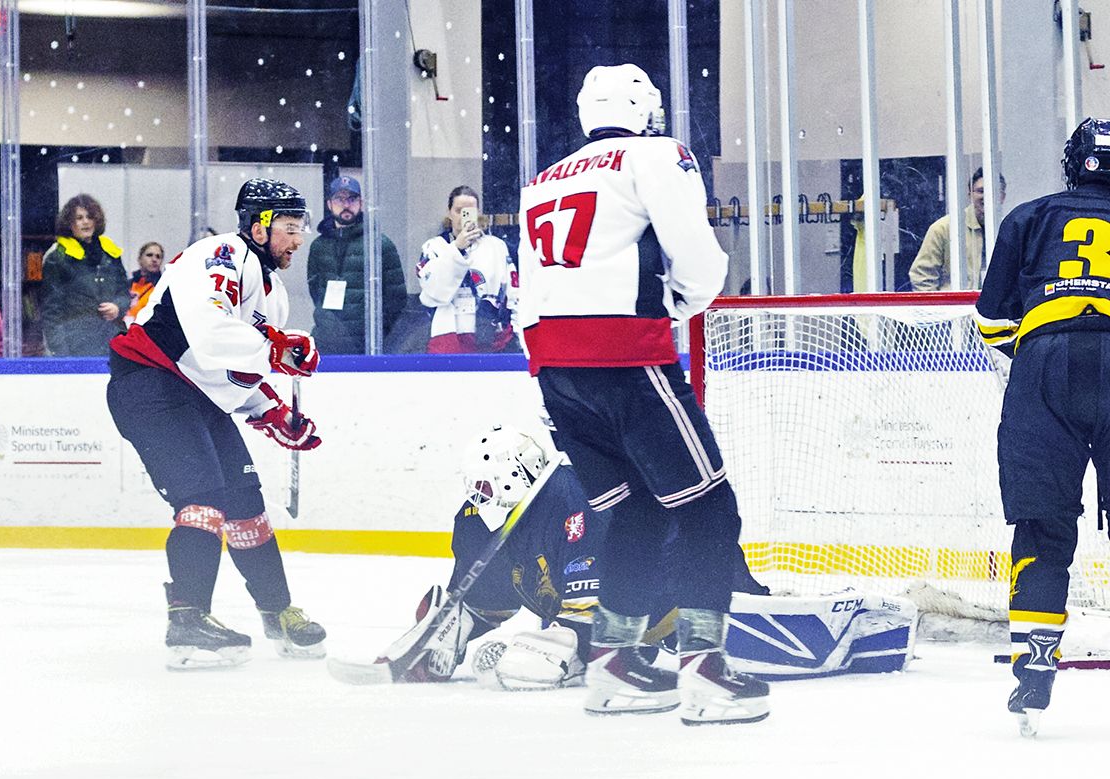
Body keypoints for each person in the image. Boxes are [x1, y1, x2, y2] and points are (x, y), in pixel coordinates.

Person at [516, 64, 769, 725]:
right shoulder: (657, 155)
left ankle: (613, 662)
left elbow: (529, 291)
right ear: (643, 109)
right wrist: (682, 304)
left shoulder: (541, 181)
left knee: (638, 512)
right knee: (711, 508)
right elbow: (700, 260)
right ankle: (706, 669)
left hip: (555, 370)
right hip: (626, 357)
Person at [367, 427, 915, 690]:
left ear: (514, 476)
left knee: (774, 647)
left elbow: (592, 615)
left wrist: (553, 645)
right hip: (642, 616)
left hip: (689, 586)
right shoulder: (478, 521)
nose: (478, 499)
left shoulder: (572, 496)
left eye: (486, 486)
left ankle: (871, 620)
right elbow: (482, 600)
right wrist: (446, 634)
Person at [105, 178, 327, 670]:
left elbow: (230, 371)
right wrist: (276, 349)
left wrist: (270, 410)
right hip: (148, 384)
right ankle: (187, 617)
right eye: (290, 228)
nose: (298, 239)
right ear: (259, 226)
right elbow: (208, 334)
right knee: (203, 497)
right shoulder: (220, 254)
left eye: (301, 229)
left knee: (246, 503)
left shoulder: (273, 293)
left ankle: (277, 611)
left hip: (196, 394)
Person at [975, 117, 1110, 737]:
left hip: (1043, 364)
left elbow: (991, 321)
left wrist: (1040, 352)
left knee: (1042, 525)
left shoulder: (1028, 217)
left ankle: (1034, 666)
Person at [303, 176, 407, 354]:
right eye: (339, 199)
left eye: (352, 199)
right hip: (326, 341)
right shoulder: (318, 246)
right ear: (329, 204)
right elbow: (316, 291)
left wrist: (377, 333)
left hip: (367, 345)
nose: (346, 205)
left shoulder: (379, 244)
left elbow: (396, 299)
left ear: (361, 203)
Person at [416, 186, 516, 353]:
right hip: (447, 337)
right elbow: (433, 292)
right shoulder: (433, 247)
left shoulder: (496, 247)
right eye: (458, 211)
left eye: (469, 211)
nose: (464, 216)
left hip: (490, 337)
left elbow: (513, 293)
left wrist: (517, 332)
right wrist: (457, 248)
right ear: (449, 212)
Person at [39, 194, 132, 356]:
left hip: (111, 340)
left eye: (90, 217)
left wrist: (118, 307)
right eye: (79, 218)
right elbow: (51, 312)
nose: (86, 222)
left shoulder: (110, 252)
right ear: (69, 223)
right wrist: (61, 353)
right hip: (75, 344)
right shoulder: (57, 257)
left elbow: (124, 292)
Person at [909, 167, 1006, 292]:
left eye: (994, 191)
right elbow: (921, 276)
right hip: (956, 304)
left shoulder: (1010, 229)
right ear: (970, 194)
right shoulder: (944, 228)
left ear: (1002, 197)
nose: (987, 196)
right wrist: (939, 304)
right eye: (981, 191)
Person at [123, 241, 165, 326]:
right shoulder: (127, 285)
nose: (154, 260)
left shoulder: (162, 288)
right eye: (149, 255)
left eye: (158, 257)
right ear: (139, 259)